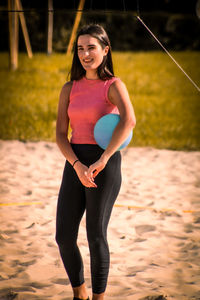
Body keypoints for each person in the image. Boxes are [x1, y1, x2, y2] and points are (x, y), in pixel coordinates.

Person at [55, 24, 136, 300]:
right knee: (64, 236)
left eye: (91, 47)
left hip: (104, 163)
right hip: (75, 162)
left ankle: (99, 298)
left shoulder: (113, 85)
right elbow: (60, 135)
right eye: (80, 48)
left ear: (105, 50)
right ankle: (81, 295)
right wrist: (77, 165)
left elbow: (129, 121)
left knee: (95, 235)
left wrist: (103, 159)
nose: (85, 53)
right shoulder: (69, 87)